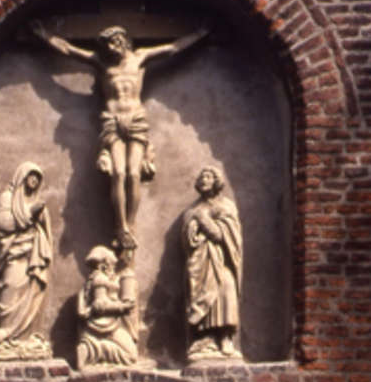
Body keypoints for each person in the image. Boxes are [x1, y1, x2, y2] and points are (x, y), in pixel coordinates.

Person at [31, 20, 207, 249]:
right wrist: (43, 34)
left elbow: (172, 48)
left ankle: (130, 226)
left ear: (124, 41)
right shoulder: (101, 63)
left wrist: (200, 33)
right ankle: (121, 226)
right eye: (108, 45)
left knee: (133, 174)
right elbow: (68, 49)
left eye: (116, 42)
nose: (113, 48)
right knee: (118, 174)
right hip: (112, 121)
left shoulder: (140, 57)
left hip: (135, 119)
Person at [0, 162, 53, 359]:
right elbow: (3, 223)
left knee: (30, 296)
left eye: (37, 178)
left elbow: (45, 229)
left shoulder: (34, 200)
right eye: (31, 176)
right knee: (9, 290)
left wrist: (42, 215)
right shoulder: (7, 198)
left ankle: (22, 339)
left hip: (31, 253)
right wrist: (30, 213)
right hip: (13, 255)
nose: (34, 181)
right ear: (22, 176)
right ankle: (2, 339)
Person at [183, 167, 243, 360]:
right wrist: (195, 227)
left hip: (222, 261)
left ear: (217, 181)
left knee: (226, 286)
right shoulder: (193, 211)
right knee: (201, 292)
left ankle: (225, 337)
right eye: (201, 176)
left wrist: (204, 220)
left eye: (208, 176)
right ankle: (205, 338)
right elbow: (188, 240)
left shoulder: (227, 206)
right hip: (201, 263)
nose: (203, 179)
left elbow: (223, 234)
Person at [76, 245, 137, 368]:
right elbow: (99, 305)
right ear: (102, 265)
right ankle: (90, 348)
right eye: (112, 265)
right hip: (103, 325)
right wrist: (122, 307)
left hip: (111, 323)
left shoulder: (103, 278)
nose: (113, 268)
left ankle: (92, 347)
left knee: (131, 354)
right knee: (131, 356)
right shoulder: (100, 279)